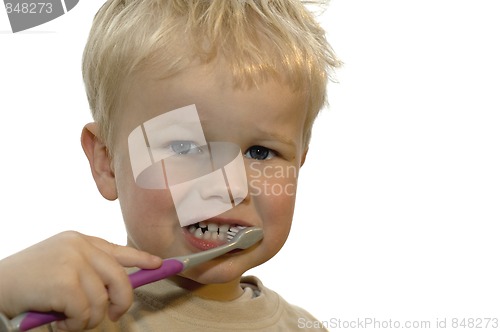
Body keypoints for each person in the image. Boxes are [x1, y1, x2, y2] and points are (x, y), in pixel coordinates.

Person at [0, 0, 340, 330]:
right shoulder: (68, 318)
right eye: (185, 146)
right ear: (107, 162)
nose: (228, 186)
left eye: (260, 153)